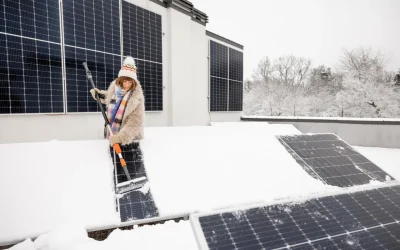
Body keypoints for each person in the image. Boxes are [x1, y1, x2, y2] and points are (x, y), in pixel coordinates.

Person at [90, 56, 145, 183]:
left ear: (134, 82)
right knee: (110, 167)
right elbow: (110, 98)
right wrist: (99, 95)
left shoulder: (137, 97)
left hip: (130, 142)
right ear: (120, 80)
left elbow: (135, 123)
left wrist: (120, 138)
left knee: (128, 170)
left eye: (130, 82)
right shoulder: (115, 89)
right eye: (124, 81)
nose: (126, 85)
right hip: (112, 136)